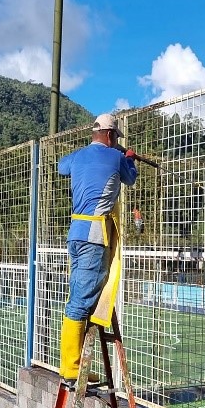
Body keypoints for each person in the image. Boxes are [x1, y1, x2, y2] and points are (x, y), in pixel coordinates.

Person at [57, 113, 138, 384]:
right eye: (116, 138)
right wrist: (129, 157)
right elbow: (131, 179)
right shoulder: (117, 158)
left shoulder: (78, 156)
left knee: (78, 292)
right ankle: (71, 368)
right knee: (81, 300)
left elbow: (61, 166)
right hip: (94, 235)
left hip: (75, 233)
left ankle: (75, 363)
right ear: (111, 135)